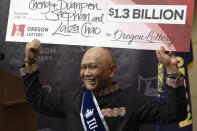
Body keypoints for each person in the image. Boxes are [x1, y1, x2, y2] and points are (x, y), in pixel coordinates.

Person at [20, 39, 187, 131]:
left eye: (92, 67)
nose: (86, 73)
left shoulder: (132, 101)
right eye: (83, 67)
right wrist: (30, 61)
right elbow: (37, 100)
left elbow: (174, 114)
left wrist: (172, 70)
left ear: (111, 70)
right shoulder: (72, 99)